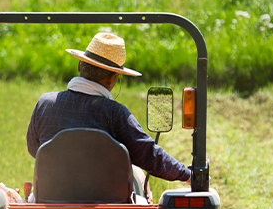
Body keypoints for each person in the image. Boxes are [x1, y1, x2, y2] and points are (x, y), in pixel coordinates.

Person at [26, 32, 191, 198]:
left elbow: (35, 150)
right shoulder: (115, 113)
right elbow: (149, 155)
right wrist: (187, 174)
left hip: (50, 200)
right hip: (106, 204)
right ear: (113, 78)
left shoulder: (45, 103)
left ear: (79, 65)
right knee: (141, 191)